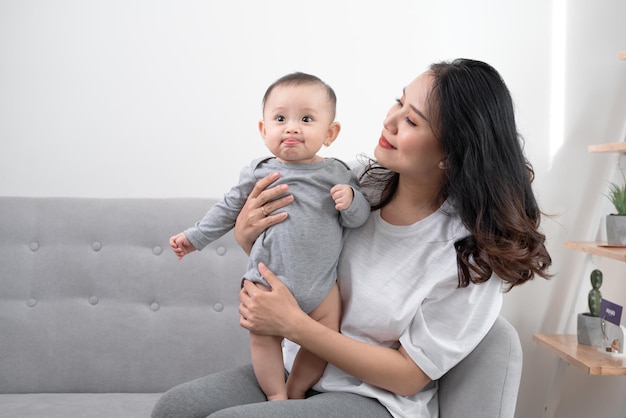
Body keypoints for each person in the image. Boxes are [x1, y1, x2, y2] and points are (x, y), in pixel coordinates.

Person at [153, 58, 551, 418]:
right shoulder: (354, 183)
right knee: (174, 409)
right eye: (398, 102)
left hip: (372, 396)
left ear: (451, 152)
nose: (390, 122)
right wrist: (245, 236)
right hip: (297, 370)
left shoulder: (472, 254)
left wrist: (295, 325)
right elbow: (293, 257)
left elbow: (409, 376)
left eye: (412, 121)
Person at [168, 72, 370, 401]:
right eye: (280, 118)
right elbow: (228, 208)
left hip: (320, 285)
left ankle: (297, 389)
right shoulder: (259, 171)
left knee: (324, 337)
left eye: (306, 118)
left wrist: (350, 200)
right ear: (264, 130)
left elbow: (359, 220)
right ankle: (276, 396)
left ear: (330, 133)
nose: (291, 127)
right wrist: (195, 238)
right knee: (262, 339)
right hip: (265, 278)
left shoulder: (338, 173)